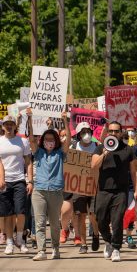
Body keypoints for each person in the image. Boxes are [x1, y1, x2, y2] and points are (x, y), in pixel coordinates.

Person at [27, 109, 71, 261]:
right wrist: (30, 118)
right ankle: (41, 251)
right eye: (47, 139)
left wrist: (65, 120)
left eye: (52, 139)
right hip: (39, 191)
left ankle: (56, 248)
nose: (49, 141)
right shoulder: (38, 152)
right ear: (43, 140)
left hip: (56, 191)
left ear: (56, 140)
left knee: (53, 223)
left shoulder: (60, 153)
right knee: (39, 223)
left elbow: (69, 140)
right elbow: (31, 138)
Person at [91, 121, 137, 262]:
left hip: (121, 191)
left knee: (117, 220)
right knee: (100, 219)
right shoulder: (100, 148)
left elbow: (134, 171)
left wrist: (136, 190)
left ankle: (116, 248)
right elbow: (93, 165)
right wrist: (104, 153)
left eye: (116, 131)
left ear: (121, 132)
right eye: (110, 131)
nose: (113, 134)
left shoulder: (127, 149)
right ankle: (108, 241)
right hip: (103, 190)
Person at [0, 115, 33, 255]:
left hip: (20, 180)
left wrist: (30, 180)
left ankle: (20, 239)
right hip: (5, 181)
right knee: (7, 214)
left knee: (21, 212)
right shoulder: (0, 141)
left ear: (15, 126)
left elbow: (29, 162)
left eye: (11, 124)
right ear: (2, 126)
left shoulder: (23, 141)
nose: (9, 126)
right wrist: (1, 178)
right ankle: (9, 242)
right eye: (6, 124)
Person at [70, 122, 100, 254]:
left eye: (88, 131)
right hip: (79, 185)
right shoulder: (74, 147)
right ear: (78, 135)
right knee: (80, 215)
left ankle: (95, 234)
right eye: (83, 132)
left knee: (93, 214)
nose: (86, 134)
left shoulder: (97, 146)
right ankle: (83, 243)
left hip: (94, 184)